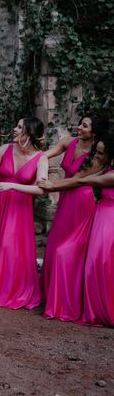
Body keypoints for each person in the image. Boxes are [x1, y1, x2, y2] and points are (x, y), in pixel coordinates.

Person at [38, 115, 109, 322]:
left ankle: (66, 299)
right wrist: (39, 161)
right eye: (81, 123)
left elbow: (78, 181)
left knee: (71, 250)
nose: (79, 127)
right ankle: (49, 294)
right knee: (53, 244)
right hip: (65, 199)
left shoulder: (97, 155)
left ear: (94, 131)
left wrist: (52, 185)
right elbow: (45, 154)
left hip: (80, 199)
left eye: (85, 126)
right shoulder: (70, 141)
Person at [0, 117, 49, 309]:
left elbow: (41, 189)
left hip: (19, 209)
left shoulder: (41, 158)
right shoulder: (5, 149)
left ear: (29, 132)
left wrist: (11, 185)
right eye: (16, 125)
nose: (14, 129)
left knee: (10, 248)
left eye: (19, 127)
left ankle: (8, 290)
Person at [75, 134, 114, 327]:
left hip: (110, 220)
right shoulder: (109, 168)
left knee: (101, 261)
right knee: (95, 261)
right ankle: (95, 308)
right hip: (101, 215)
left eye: (101, 153)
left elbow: (83, 181)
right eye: (96, 152)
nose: (97, 156)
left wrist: (54, 185)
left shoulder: (111, 174)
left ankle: (105, 309)